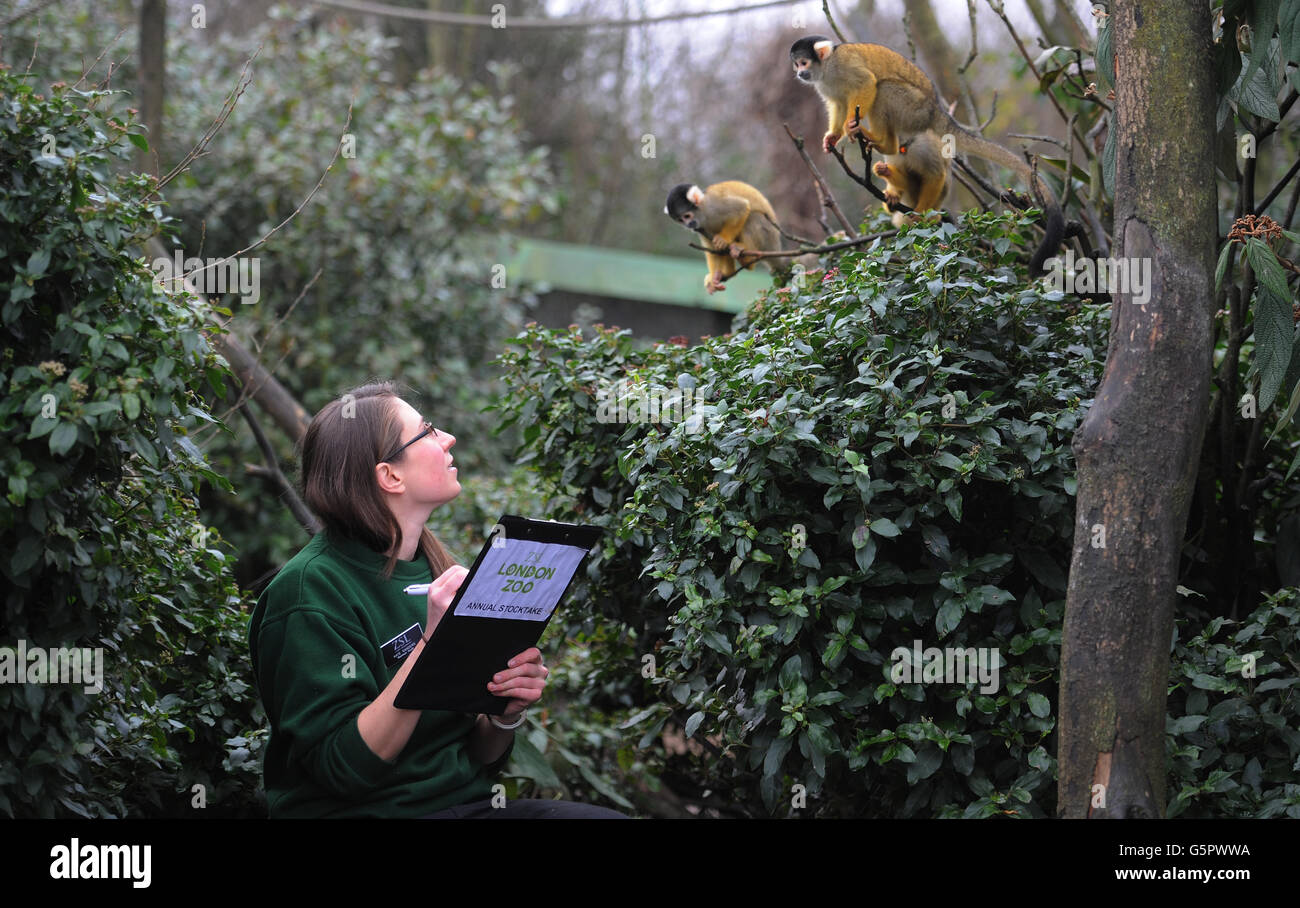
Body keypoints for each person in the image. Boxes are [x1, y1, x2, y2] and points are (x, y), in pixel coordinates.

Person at [248, 382, 625, 818]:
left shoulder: (435, 567)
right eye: (426, 432)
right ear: (390, 475)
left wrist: (506, 711)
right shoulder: (308, 593)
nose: (448, 438)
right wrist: (432, 644)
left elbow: (481, 755)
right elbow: (344, 769)